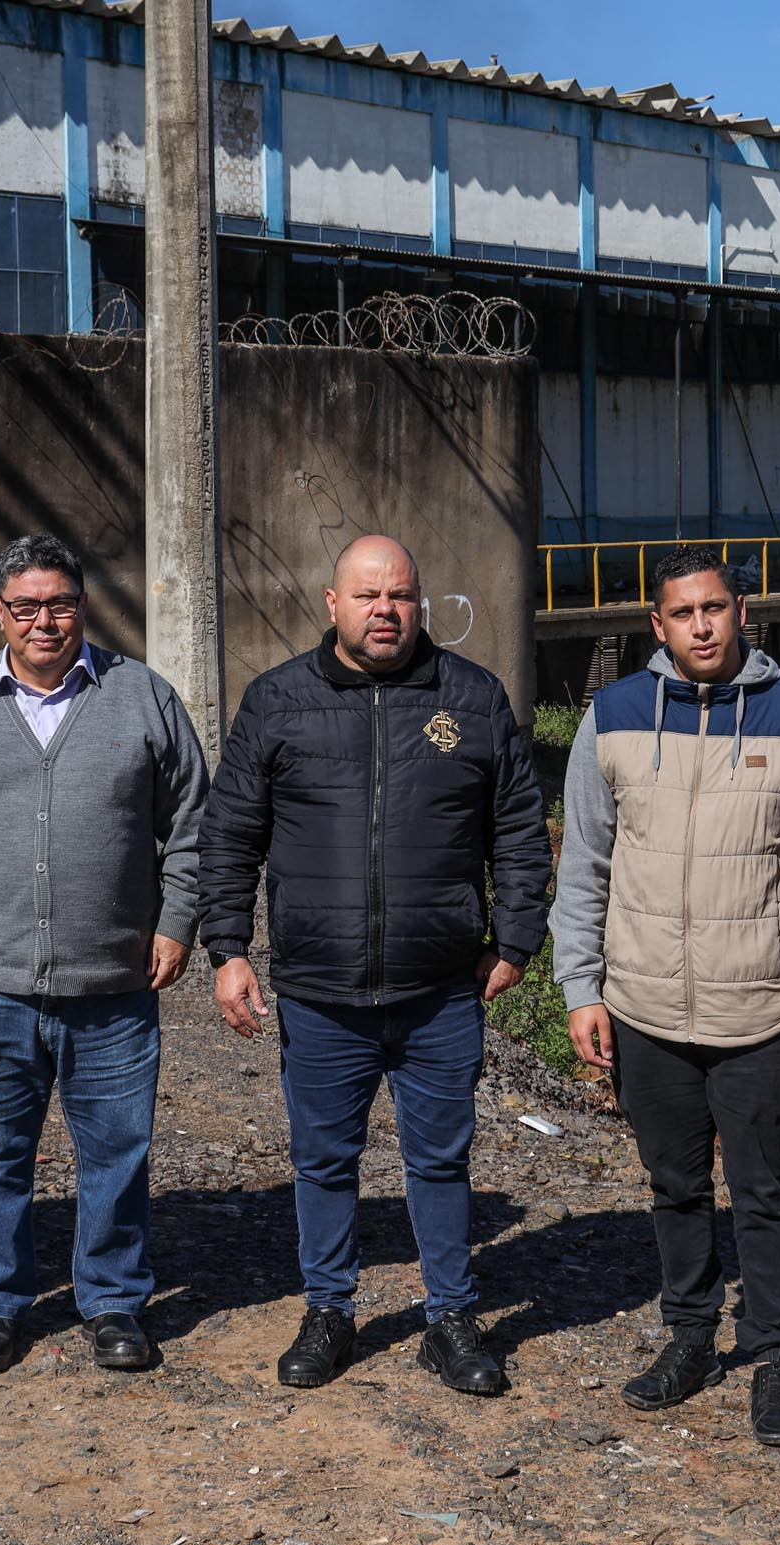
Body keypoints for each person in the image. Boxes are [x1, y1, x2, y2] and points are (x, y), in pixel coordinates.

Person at [196, 535, 550, 1396]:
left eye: (399, 595)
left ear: (419, 602)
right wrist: (228, 948)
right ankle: (328, 1310)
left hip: (439, 989)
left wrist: (515, 941)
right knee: (323, 1160)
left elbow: (517, 827)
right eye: (366, 595)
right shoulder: (278, 701)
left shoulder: (469, 696)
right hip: (321, 991)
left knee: (440, 1160)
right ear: (331, 603)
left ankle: (450, 1317)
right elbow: (229, 835)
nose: (384, 610)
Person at [549, 545, 780, 1448]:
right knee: (674, 1185)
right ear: (657, 625)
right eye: (681, 613)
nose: (700, 626)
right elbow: (583, 865)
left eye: (714, 609)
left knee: (763, 1192)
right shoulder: (614, 717)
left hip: (762, 1009)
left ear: (742, 612)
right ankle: (688, 1337)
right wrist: (581, 986)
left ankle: (773, 1358)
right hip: (644, 1006)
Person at [0, 534, 208, 1376]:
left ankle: (111, 1302)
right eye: (26, 606)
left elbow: (190, 826)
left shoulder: (142, 697)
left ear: (82, 606)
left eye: (60, 604)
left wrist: (178, 923)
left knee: (115, 1150)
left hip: (111, 981)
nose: (45, 621)